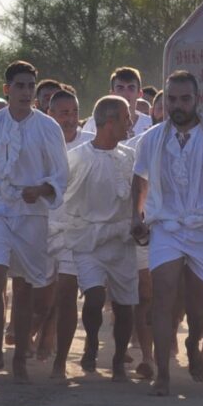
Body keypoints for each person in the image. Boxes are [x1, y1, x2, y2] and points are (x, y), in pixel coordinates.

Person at [131, 70, 203, 396]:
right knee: (163, 295)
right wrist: (136, 215)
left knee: (198, 308)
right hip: (166, 226)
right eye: (172, 99)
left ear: (198, 100)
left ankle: (195, 345)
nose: (177, 105)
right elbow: (139, 178)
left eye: (185, 98)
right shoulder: (152, 138)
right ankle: (163, 372)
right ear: (165, 101)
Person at [0, 61, 68, 383]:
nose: (26, 92)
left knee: (24, 287)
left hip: (31, 208)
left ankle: (19, 357)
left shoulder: (48, 127)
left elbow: (62, 172)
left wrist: (42, 188)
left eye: (30, 87)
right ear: (7, 90)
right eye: (19, 86)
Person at [64, 95, 137, 381]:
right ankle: (91, 343)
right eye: (126, 118)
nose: (130, 123)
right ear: (109, 123)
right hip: (87, 240)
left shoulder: (130, 158)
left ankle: (119, 358)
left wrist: (139, 223)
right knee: (94, 297)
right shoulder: (77, 158)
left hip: (121, 241)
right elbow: (62, 196)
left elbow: (142, 195)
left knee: (124, 304)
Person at [43, 89, 94, 377]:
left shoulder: (90, 143)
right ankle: (44, 325)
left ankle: (60, 361)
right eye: (64, 113)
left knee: (66, 294)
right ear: (50, 115)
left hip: (78, 231)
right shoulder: (40, 143)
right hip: (42, 227)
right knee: (41, 298)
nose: (71, 119)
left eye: (74, 112)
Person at [84, 67, 152, 137]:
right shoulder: (94, 124)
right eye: (120, 88)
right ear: (112, 94)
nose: (125, 93)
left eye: (131, 88)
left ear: (139, 94)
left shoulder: (150, 124)